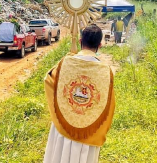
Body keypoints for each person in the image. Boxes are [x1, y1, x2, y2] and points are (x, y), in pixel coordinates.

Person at [43, 24, 115, 163]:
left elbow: (49, 80)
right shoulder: (106, 71)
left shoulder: (65, 62)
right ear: (100, 45)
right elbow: (108, 103)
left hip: (63, 128)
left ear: (81, 41)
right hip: (89, 133)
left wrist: (63, 107)